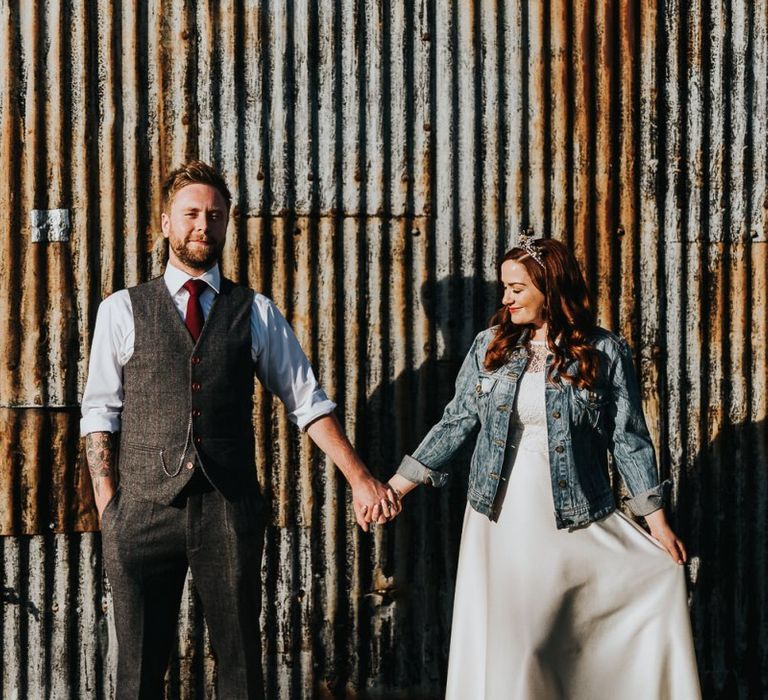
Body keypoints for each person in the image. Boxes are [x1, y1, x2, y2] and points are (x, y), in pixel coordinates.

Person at [81, 160, 399, 699]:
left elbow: (307, 401)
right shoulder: (120, 310)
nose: (203, 225)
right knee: (136, 669)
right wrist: (111, 510)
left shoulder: (254, 311)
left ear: (228, 223)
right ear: (164, 223)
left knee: (240, 665)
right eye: (191, 214)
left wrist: (361, 478)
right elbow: (100, 414)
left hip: (227, 509)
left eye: (215, 215)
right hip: (140, 512)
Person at [387, 237, 701, 698]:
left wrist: (656, 522)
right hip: (499, 516)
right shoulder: (490, 346)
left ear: (550, 288)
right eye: (504, 288)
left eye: (516, 288)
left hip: (572, 514)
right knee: (520, 644)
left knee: (555, 640)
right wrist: (396, 487)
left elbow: (627, 437)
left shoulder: (603, 351)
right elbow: (456, 421)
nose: (505, 299)